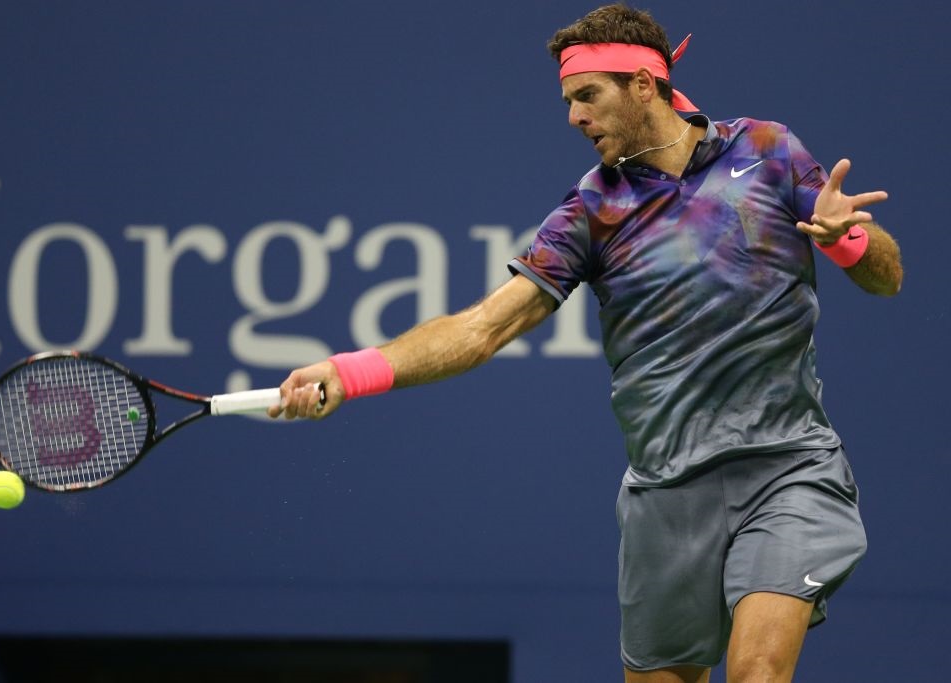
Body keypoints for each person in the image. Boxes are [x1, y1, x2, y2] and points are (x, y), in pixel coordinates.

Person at [268, 4, 903, 681]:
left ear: (643, 84)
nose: (574, 116)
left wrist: (848, 239)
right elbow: (484, 327)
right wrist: (348, 370)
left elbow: (886, 277)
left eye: (586, 95)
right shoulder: (591, 212)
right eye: (570, 99)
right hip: (667, 492)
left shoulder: (769, 152)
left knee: (758, 671)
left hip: (787, 467)